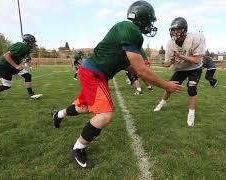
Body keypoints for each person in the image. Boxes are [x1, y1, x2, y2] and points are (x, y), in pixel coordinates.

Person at [52, 0, 182, 168]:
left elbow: (134, 66)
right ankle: (77, 148)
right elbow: (141, 70)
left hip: (92, 72)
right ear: (142, 18)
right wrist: (166, 85)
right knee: (105, 115)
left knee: (84, 107)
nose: (150, 24)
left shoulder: (129, 33)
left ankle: (58, 115)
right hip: (94, 73)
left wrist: (143, 71)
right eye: (150, 20)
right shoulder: (131, 30)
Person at [154, 17, 206, 127]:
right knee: (169, 87)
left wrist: (180, 55)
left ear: (184, 30)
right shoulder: (170, 43)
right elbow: (166, 64)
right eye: (172, 30)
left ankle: (191, 113)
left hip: (195, 68)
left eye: (177, 30)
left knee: (192, 89)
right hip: (181, 68)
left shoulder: (196, 38)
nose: (174, 32)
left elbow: (197, 60)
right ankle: (162, 102)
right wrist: (171, 61)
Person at [0, 34, 42, 101]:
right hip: (3, 66)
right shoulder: (21, 46)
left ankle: (31, 94)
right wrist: (16, 66)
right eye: (33, 42)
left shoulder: (27, 49)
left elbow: (19, 58)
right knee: (7, 86)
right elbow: (6, 55)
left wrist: (22, 63)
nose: (34, 44)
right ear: (28, 42)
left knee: (27, 76)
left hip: (13, 65)